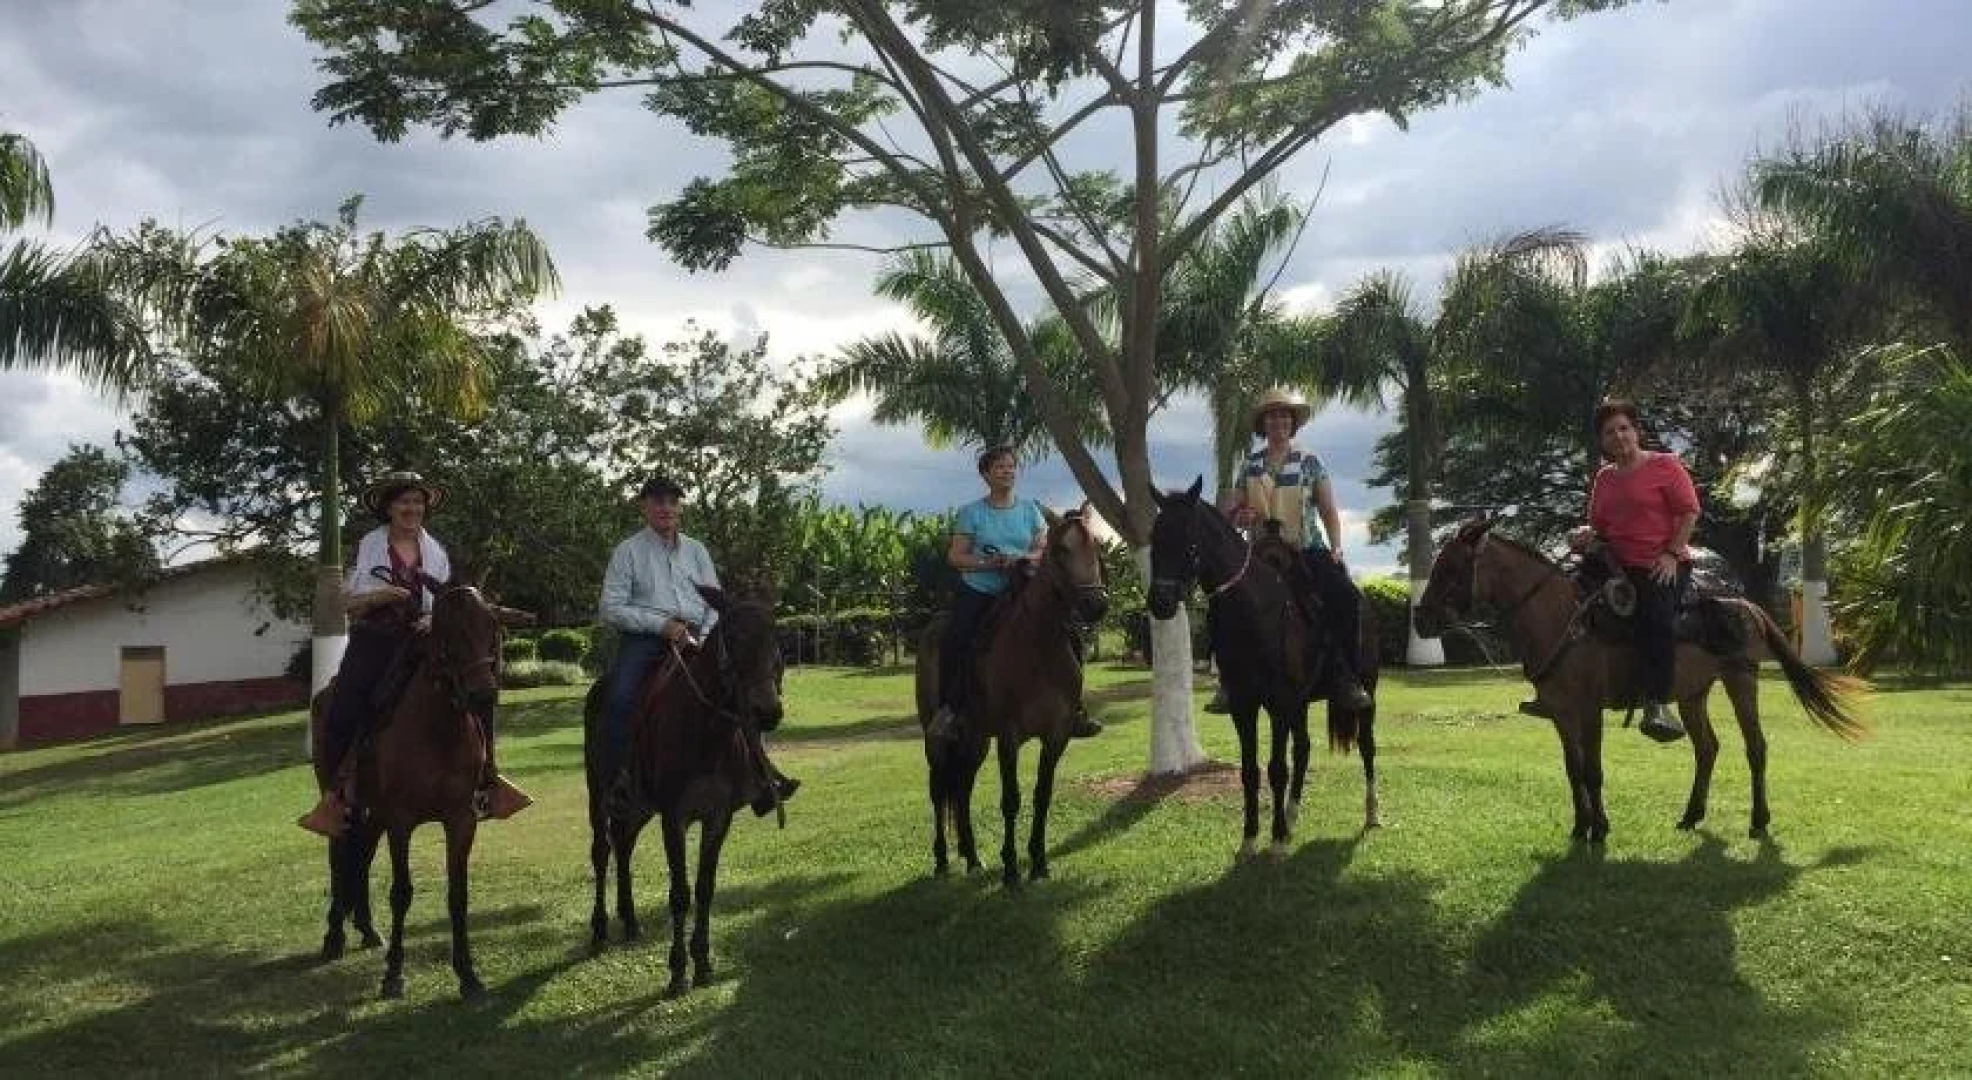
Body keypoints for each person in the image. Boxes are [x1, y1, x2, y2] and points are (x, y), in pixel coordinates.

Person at [298, 470, 529, 837]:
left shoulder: (435, 550)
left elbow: (446, 602)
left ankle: (489, 779)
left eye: (418, 502)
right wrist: (384, 595)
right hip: (375, 638)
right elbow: (347, 603)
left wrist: (432, 618)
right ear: (389, 508)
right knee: (343, 705)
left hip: (425, 638)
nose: (412, 508)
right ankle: (335, 798)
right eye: (404, 501)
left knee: (479, 688)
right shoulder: (370, 545)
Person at [596, 475, 797, 817]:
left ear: (680, 508)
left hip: (698, 638)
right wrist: (663, 626)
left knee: (742, 689)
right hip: (646, 640)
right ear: (644, 507)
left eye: (672, 501)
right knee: (618, 696)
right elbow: (611, 608)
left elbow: (715, 603)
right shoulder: (628, 551)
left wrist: (703, 636)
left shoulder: (696, 550)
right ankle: (620, 784)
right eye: (657, 501)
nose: (665, 508)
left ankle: (760, 777)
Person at [1540, 398, 1698, 743]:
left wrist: (1672, 553)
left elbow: (1689, 512)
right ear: (1602, 441)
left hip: (1659, 563)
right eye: (1610, 432)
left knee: (1656, 618)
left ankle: (1657, 703)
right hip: (1613, 563)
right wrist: (1584, 535)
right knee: (1566, 601)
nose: (1619, 436)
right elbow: (1598, 525)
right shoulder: (1605, 477)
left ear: (1637, 431)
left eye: (1624, 428)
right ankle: (1554, 687)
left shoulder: (1666, 466)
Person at [927, 445, 1103, 743]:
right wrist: (990, 562)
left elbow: (1042, 549)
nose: (1007, 472)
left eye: (1011, 466)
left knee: (1070, 634)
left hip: (1024, 588)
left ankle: (1074, 709)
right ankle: (949, 710)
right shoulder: (972, 513)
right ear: (986, 474)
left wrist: (1025, 558)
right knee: (956, 637)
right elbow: (955, 557)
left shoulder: (1030, 510)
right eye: (1000, 467)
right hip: (981, 589)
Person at [1223, 388, 1375, 712]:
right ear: (1262, 424)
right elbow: (1233, 511)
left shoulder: (1310, 461)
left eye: (1284, 416)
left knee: (1345, 597)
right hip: (1261, 555)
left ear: (1293, 423)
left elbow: (1328, 510)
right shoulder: (1249, 465)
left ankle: (1347, 677)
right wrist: (1240, 516)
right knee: (1225, 602)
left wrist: (1336, 547)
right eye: (1272, 416)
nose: (1278, 421)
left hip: (1306, 550)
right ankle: (1229, 681)